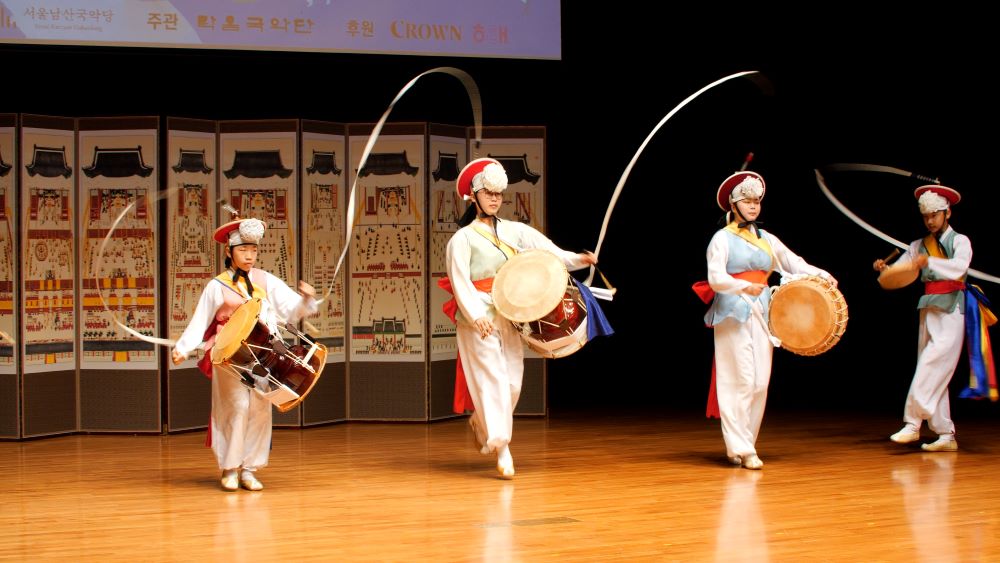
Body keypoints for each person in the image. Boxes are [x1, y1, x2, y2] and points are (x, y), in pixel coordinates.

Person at [442, 157, 596, 479]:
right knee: (494, 381)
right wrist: (475, 315)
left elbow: (550, 252)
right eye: (488, 193)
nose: (494, 199)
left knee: (512, 382)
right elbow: (459, 281)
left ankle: (481, 422)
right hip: (478, 318)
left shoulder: (515, 231)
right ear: (474, 195)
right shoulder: (462, 239)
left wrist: (579, 259)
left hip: (509, 314)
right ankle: (503, 449)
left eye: (498, 193)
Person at [702, 170, 836, 470]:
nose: (753, 206)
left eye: (757, 201)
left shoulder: (767, 239)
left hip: (763, 312)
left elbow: (794, 263)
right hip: (732, 312)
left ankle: (746, 443)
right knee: (739, 379)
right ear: (733, 205)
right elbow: (715, 278)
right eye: (747, 201)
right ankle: (741, 447)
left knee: (760, 382)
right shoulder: (721, 239)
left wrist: (823, 275)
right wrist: (741, 286)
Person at [172, 216, 317, 491]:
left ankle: (250, 469)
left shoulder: (265, 280)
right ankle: (230, 467)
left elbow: (292, 309)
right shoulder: (218, 285)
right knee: (235, 407)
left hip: (263, 354)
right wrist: (182, 347)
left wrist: (307, 299)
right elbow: (200, 320)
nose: (249, 256)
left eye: (253, 250)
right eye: (243, 250)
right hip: (229, 355)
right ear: (229, 252)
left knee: (260, 408)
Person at [874, 185, 977, 452]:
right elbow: (902, 270)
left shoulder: (960, 241)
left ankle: (913, 423)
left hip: (953, 308)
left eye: (935, 215)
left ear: (947, 213)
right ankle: (945, 434)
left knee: (932, 366)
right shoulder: (918, 246)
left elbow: (959, 267)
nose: (930, 221)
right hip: (929, 308)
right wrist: (886, 269)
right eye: (926, 216)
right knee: (933, 369)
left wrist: (928, 262)